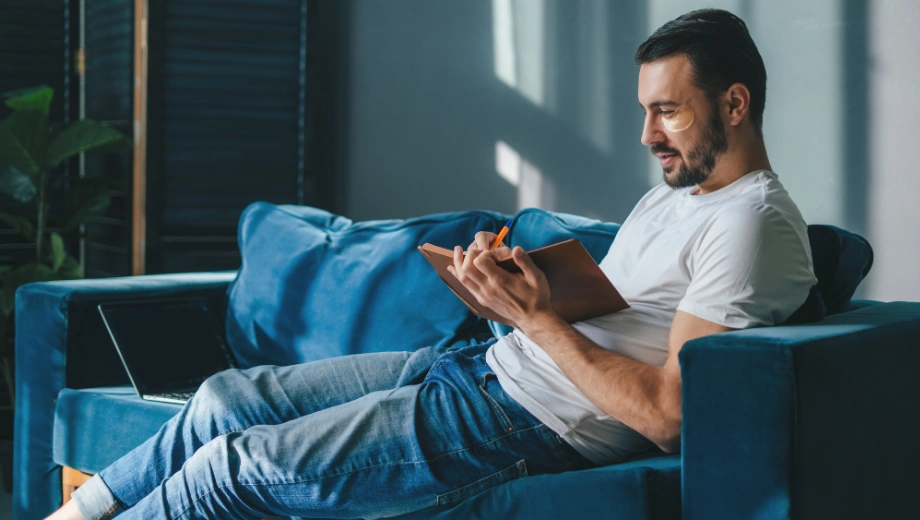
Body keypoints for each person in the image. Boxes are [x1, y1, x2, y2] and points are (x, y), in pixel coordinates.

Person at [49, 8, 817, 520]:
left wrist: (536, 316)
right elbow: (617, 317)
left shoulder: (753, 226)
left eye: (669, 111)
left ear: (736, 104)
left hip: (520, 422)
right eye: (644, 110)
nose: (648, 133)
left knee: (237, 468)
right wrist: (510, 290)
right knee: (223, 400)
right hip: (474, 363)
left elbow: (666, 416)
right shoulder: (677, 192)